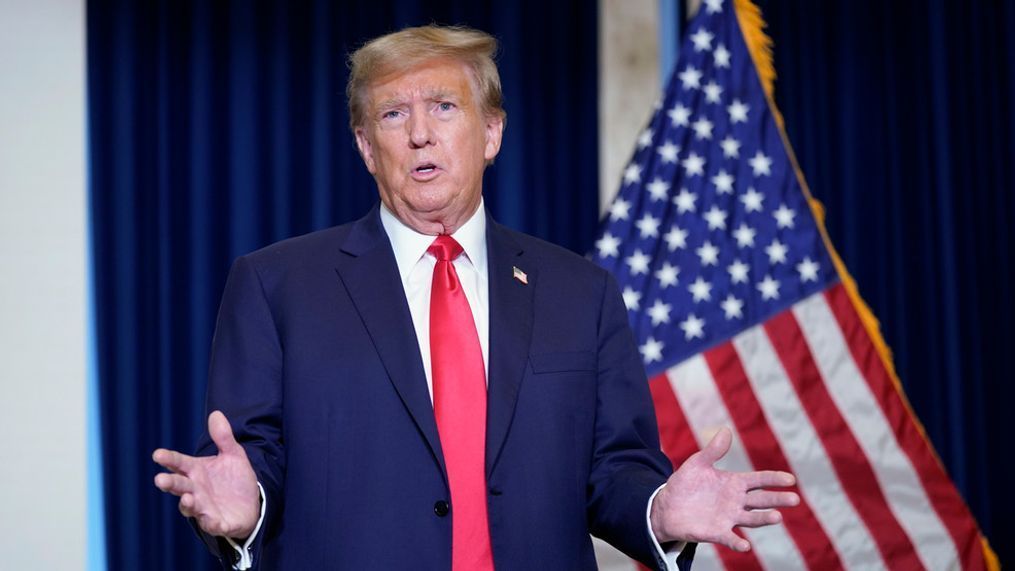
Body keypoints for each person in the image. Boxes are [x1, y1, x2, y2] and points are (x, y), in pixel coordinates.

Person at [152, 25, 799, 570]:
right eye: (392, 113)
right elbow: (251, 457)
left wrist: (658, 509)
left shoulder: (581, 291)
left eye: (443, 106)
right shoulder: (276, 284)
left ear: (490, 132)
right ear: (364, 146)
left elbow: (614, 467)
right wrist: (245, 509)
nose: (419, 133)